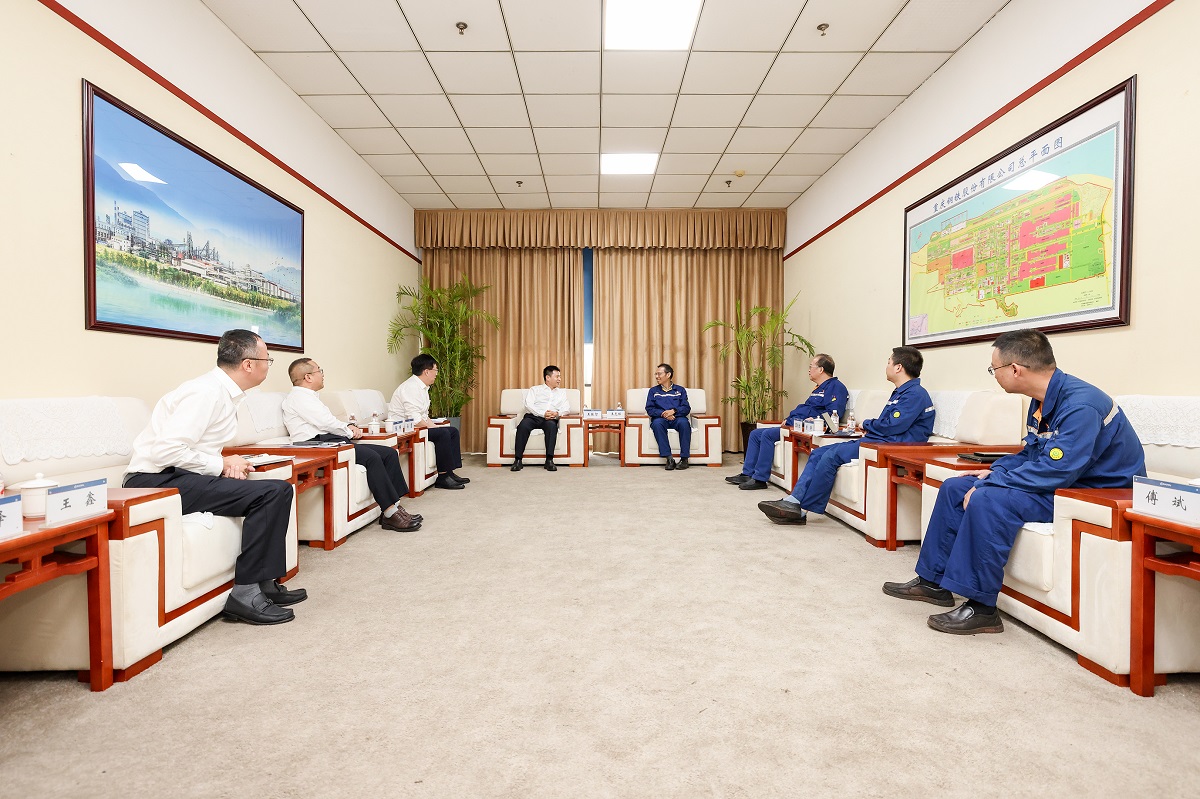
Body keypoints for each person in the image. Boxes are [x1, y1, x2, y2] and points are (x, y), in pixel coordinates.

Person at [883, 329, 1146, 635]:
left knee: (987, 499)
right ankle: (933, 582)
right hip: (1065, 483)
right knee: (956, 487)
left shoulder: (1081, 405)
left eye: (993, 369)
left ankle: (982, 608)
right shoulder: (1043, 400)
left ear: (1015, 370)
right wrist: (994, 472)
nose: (993, 375)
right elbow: (1031, 453)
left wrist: (992, 485)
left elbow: (1058, 469)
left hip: (1092, 494)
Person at [123, 329, 305, 626]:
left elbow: (196, 449)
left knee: (279, 490)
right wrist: (220, 464)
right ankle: (245, 594)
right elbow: (165, 451)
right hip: (153, 481)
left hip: (180, 475)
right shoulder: (205, 393)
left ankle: (265, 583)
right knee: (271, 493)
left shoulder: (223, 393)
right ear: (248, 364)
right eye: (267, 359)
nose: (268, 366)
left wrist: (222, 464)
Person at [758, 346, 935, 525]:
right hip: (877, 440)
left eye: (889, 362)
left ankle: (801, 510)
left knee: (830, 456)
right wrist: (870, 427)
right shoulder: (901, 392)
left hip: (888, 445)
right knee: (818, 453)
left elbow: (892, 426)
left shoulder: (915, 394)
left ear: (898, 367)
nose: (886, 366)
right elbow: (889, 424)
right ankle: (793, 500)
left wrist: (867, 424)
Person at [281, 358, 421, 532]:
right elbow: (326, 422)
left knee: (389, 453)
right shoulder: (299, 398)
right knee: (372, 458)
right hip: (315, 444)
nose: (323, 374)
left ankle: (394, 508)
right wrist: (349, 429)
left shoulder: (310, 397)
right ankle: (390, 513)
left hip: (329, 441)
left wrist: (348, 428)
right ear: (308, 377)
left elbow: (327, 423)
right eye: (319, 370)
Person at [727, 353, 848, 491]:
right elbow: (808, 408)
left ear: (821, 370)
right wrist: (789, 419)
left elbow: (834, 414)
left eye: (811, 366)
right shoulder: (818, 388)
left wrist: (816, 420)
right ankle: (747, 474)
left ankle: (760, 479)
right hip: (794, 424)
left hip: (805, 428)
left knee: (767, 435)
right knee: (755, 434)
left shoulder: (836, 387)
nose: (809, 370)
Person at [389, 353, 468, 490]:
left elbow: (424, 416)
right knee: (443, 434)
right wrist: (436, 429)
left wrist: (435, 427)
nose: (436, 374)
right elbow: (415, 419)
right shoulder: (410, 388)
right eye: (435, 370)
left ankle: (449, 472)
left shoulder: (423, 387)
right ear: (426, 371)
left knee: (452, 431)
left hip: (416, 426)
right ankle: (443, 477)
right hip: (406, 430)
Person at [511, 365, 571, 472]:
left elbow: (567, 408)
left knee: (552, 427)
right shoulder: (535, 389)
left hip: (550, 419)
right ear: (548, 377)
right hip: (533, 417)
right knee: (523, 426)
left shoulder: (561, 393)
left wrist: (556, 413)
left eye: (560, 376)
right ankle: (518, 460)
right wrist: (543, 414)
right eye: (557, 376)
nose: (559, 379)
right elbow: (528, 405)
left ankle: (549, 460)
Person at [646, 363, 692, 470]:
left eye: (659, 374)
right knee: (657, 424)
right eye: (656, 374)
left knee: (684, 423)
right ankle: (669, 459)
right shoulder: (653, 391)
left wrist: (673, 411)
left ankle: (684, 459)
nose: (656, 376)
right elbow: (650, 409)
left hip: (677, 418)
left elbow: (686, 408)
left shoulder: (680, 390)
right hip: (660, 419)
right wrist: (664, 414)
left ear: (668, 375)